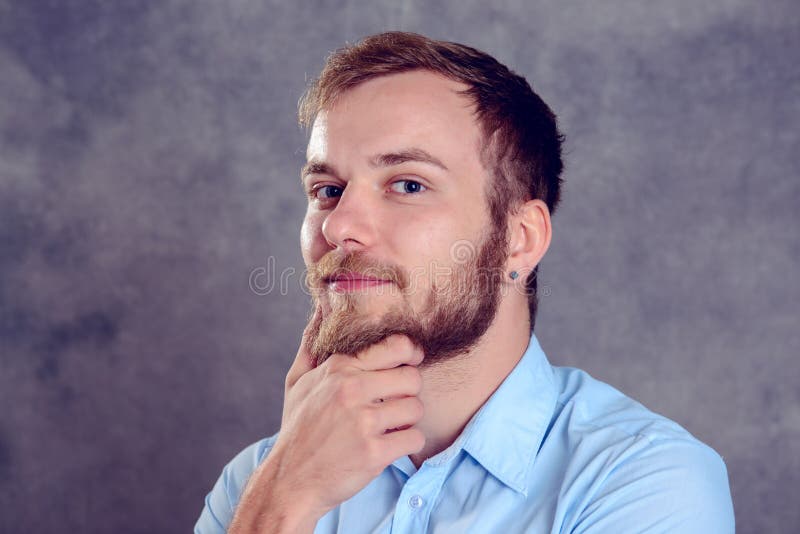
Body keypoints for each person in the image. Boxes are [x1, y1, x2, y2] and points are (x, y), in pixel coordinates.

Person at [195, 31, 734, 533]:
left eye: (407, 184)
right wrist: (285, 496)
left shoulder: (644, 482)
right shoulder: (260, 482)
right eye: (327, 190)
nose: (339, 228)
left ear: (519, 239)